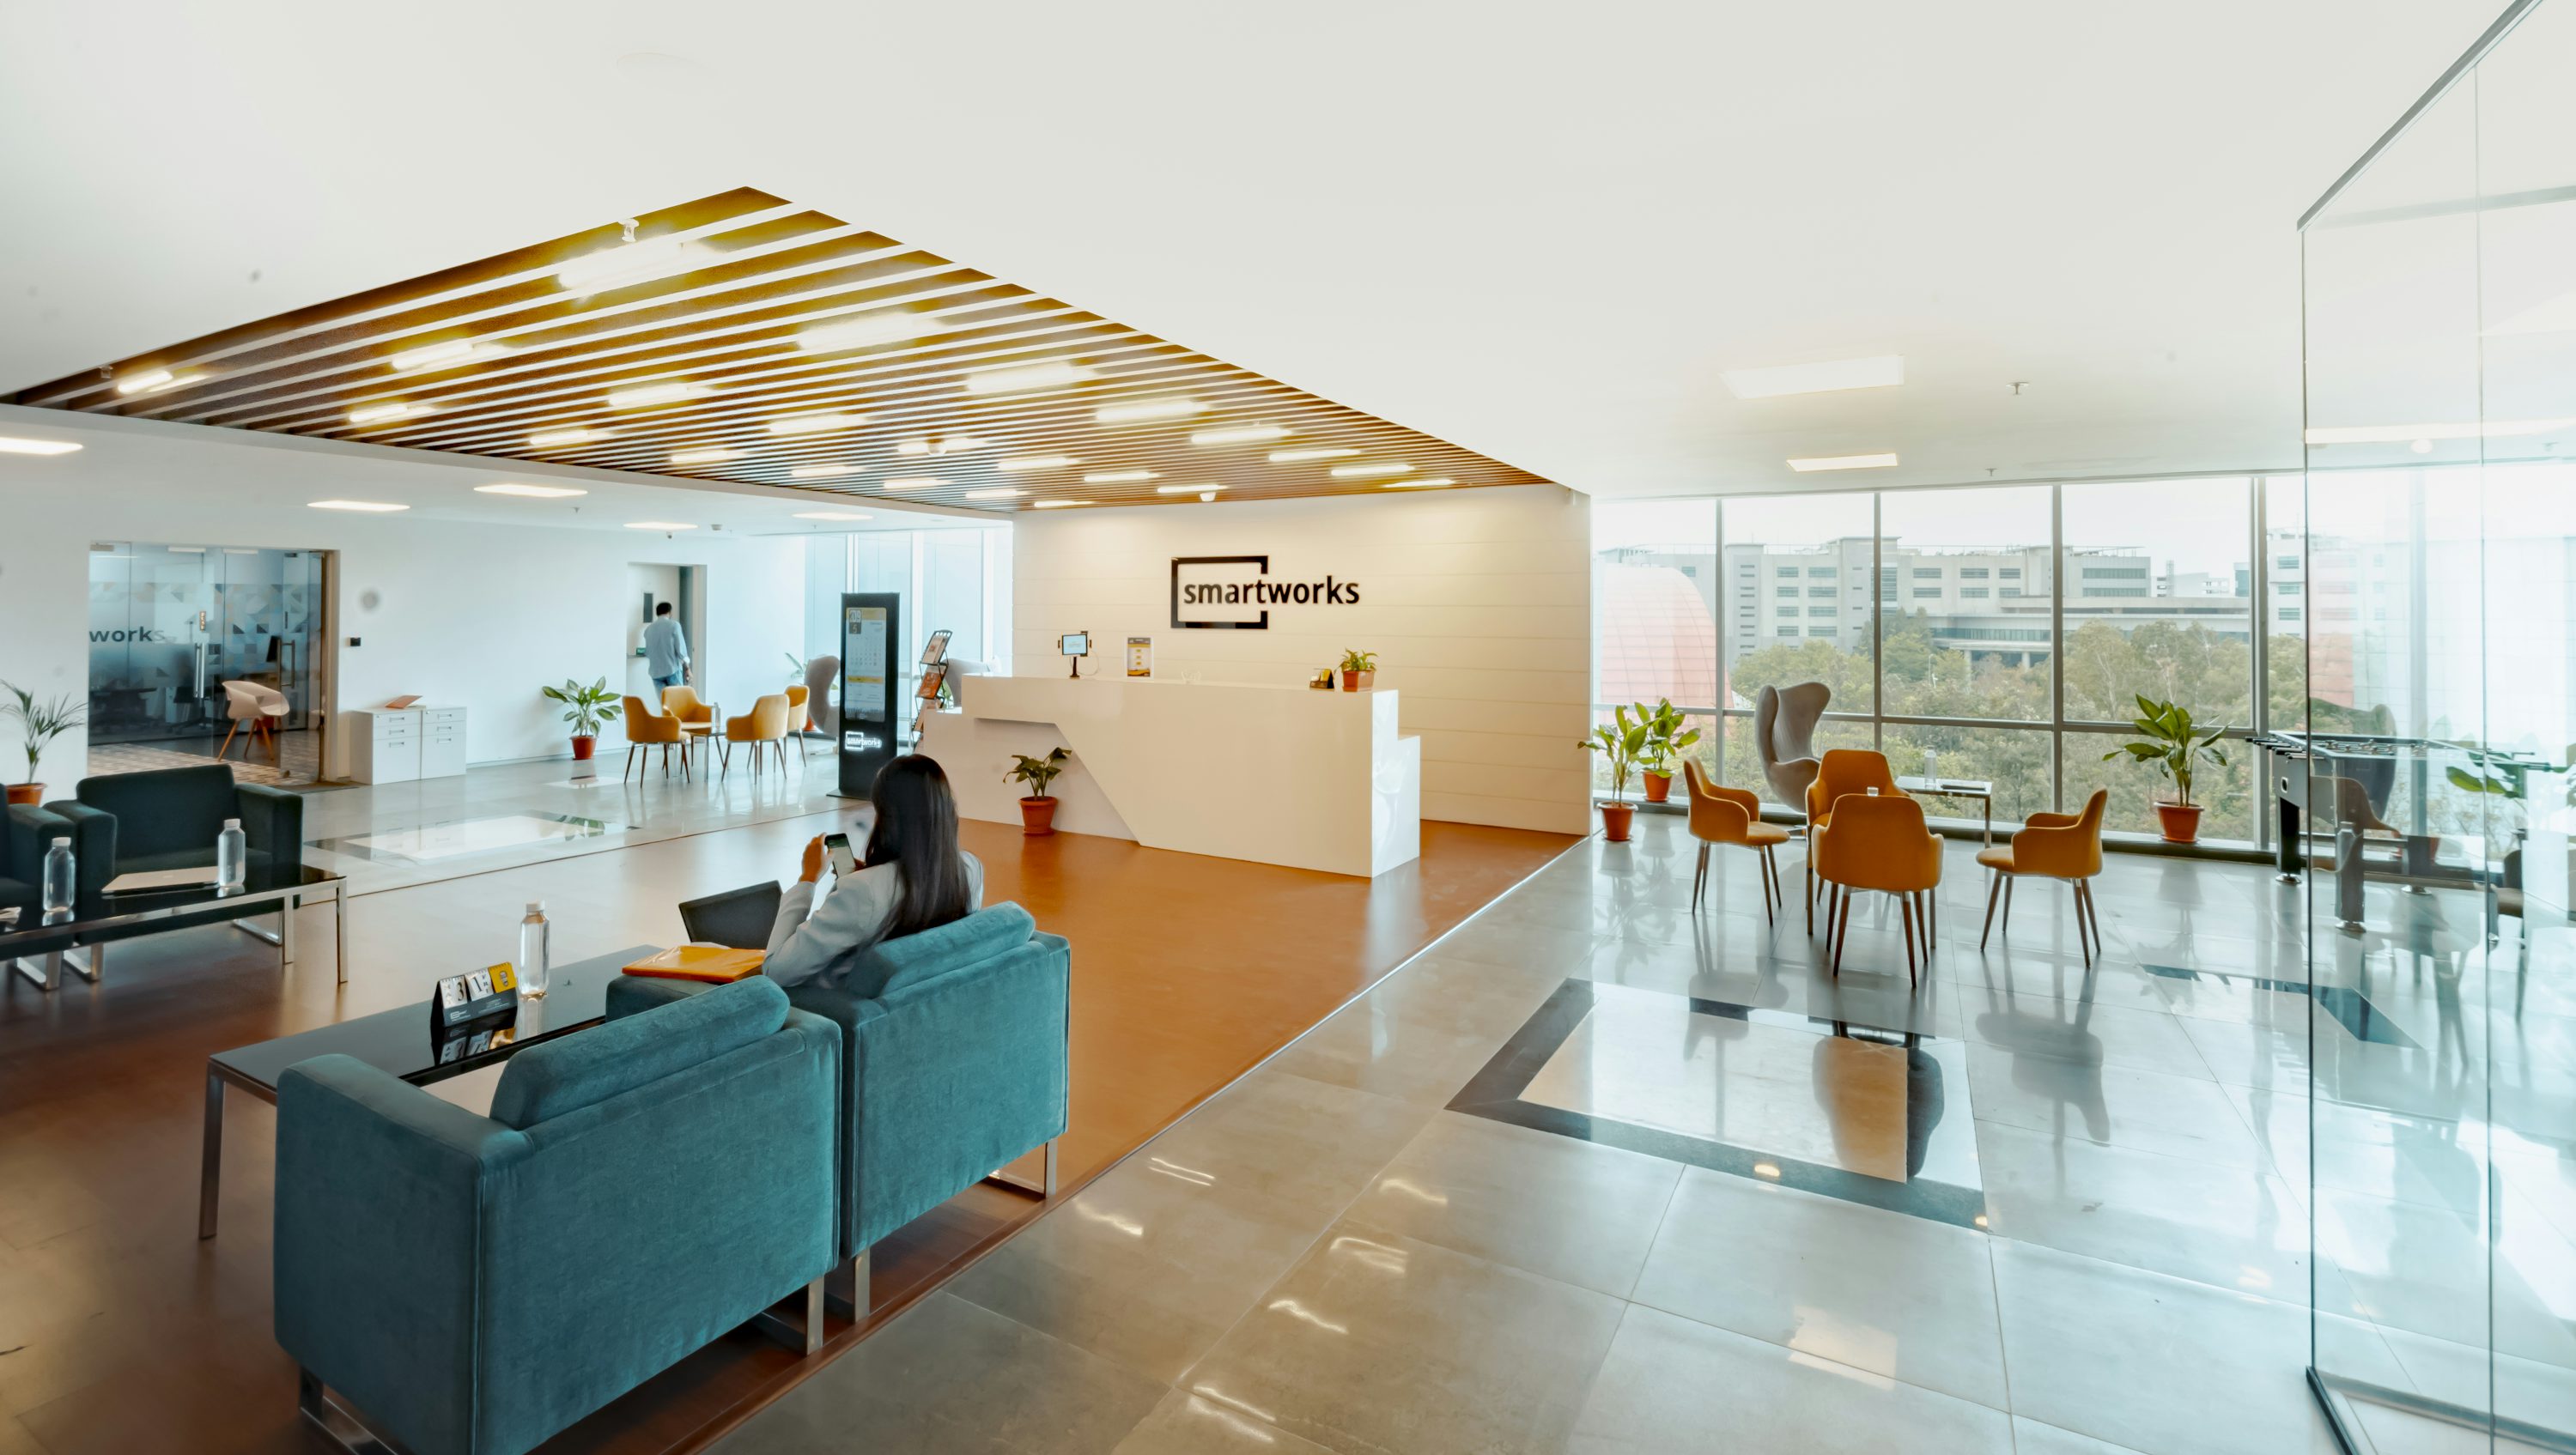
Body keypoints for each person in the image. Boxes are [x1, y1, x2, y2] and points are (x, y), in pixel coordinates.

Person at [764, 755, 983, 988]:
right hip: (922, 993)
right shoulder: (969, 869)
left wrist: (807, 880)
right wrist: (872, 874)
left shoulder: (862, 892)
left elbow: (776, 972)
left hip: (834, 1004)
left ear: (889, 819)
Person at [642, 601, 690, 692]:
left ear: (657, 613)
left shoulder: (648, 629)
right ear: (670, 612)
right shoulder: (674, 625)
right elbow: (681, 650)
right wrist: (687, 668)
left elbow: (648, 652)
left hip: (656, 674)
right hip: (672, 671)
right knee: (678, 700)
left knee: (664, 700)